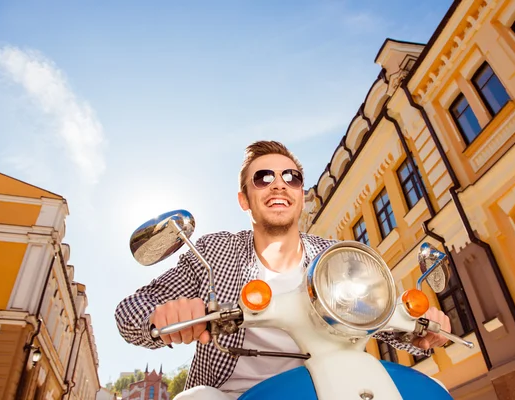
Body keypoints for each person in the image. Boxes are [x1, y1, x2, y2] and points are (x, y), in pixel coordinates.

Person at [115, 141, 451, 399]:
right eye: (263, 178)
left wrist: (421, 330)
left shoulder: (333, 256)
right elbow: (130, 311)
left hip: (331, 386)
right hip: (235, 394)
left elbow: (375, 315)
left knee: (430, 387)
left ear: (300, 196)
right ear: (244, 199)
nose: (279, 185)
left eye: (291, 177)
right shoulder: (214, 250)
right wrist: (162, 317)